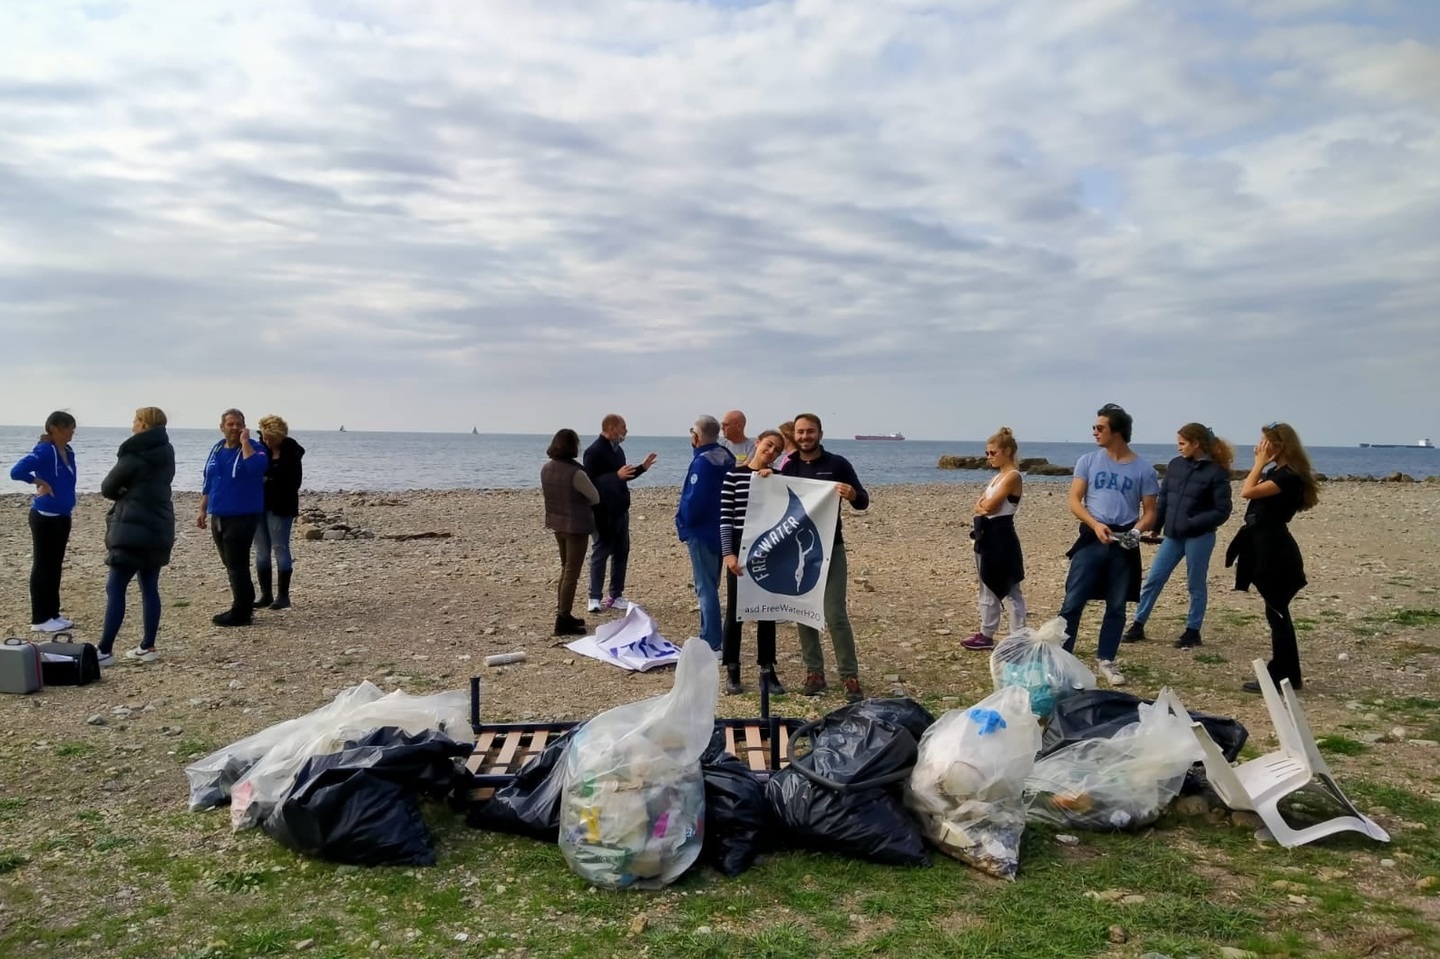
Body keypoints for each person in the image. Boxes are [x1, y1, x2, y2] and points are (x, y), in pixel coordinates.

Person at [1057, 403, 1159, 687]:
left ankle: (1107, 660)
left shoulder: (1144, 469)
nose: (1094, 432)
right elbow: (1074, 501)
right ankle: (1062, 659)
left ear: (1117, 432)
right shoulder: (1088, 461)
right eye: (1094, 427)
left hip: (1124, 543)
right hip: (1092, 538)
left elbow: (1150, 512)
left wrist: (1136, 531)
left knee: (1116, 605)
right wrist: (1094, 524)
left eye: (1100, 428)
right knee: (1072, 601)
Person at [780, 412, 870, 703]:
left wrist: (852, 494)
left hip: (832, 547)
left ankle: (849, 676)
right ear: (794, 435)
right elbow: (774, 503)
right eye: (800, 432)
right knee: (804, 611)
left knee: (835, 614)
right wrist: (765, 477)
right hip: (798, 551)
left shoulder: (837, 464)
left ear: (820, 433)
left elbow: (863, 501)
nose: (805, 437)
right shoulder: (789, 466)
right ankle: (814, 673)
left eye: (810, 431)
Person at [1225, 422, 1319, 693]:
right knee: (1276, 612)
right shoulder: (1277, 473)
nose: (1260, 448)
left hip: (1275, 549)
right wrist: (1263, 465)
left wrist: (1258, 462)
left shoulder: (1288, 477)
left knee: (1278, 613)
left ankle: (1282, 674)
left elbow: (1246, 491)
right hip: (1263, 543)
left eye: (1265, 443)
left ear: (1279, 446)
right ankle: (1289, 674)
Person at [1125, 423, 1234, 649]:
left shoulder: (1216, 472)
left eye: (1182, 443)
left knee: (1195, 584)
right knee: (1154, 579)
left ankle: (1193, 631)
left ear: (1196, 444)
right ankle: (1137, 625)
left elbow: (1222, 510)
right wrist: (1156, 525)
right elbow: (1164, 498)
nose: (1178, 447)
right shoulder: (1175, 465)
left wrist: (1193, 523)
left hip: (1200, 537)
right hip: (1173, 536)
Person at [96, 407, 175, 665]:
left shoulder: (135, 452)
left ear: (143, 424)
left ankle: (104, 650)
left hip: (133, 526)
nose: (132, 425)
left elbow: (107, 487)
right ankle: (148, 645)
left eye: (135, 420)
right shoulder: (167, 451)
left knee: (116, 586)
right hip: (159, 523)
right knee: (149, 586)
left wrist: (123, 492)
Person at [720, 429, 789, 695]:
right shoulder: (733, 476)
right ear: (757, 443)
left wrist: (774, 483)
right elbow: (726, 518)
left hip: (768, 547)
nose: (770, 452)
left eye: (777, 450)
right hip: (739, 546)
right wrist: (728, 554)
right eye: (768, 445)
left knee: (766, 611)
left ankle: (767, 670)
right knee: (735, 612)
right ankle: (732, 670)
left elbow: (789, 511)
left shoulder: (778, 478)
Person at [9, 411, 79, 633]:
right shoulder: (45, 451)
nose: (72, 432)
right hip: (45, 515)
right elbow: (16, 471)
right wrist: (38, 482)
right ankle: (39, 618)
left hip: (63, 513)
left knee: (55, 565)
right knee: (43, 565)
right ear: (55, 428)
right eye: (68, 428)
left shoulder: (68, 451)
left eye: (73, 428)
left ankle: (53, 614)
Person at [198, 408, 268, 626]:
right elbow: (208, 480)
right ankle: (243, 604)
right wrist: (202, 509)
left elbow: (255, 468)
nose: (235, 428)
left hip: (243, 514)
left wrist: (245, 442)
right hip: (219, 513)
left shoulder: (255, 448)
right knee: (229, 562)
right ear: (222, 427)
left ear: (244, 426)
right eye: (230, 424)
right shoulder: (217, 448)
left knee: (237, 563)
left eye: (239, 424)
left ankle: (242, 612)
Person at [961, 427, 1027, 651]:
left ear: (1006, 451)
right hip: (986, 535)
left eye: (992, 453)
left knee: (1009, 586)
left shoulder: (1013, 476)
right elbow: (980, 506)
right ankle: (986, 633)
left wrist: (985, 507)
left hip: (1002, 537)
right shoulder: (996, 478)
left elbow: (989, 505)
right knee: (986, 584)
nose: (989, 457)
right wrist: (984, 507)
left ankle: (1019, 637)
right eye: (987, 453)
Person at [583, 414, 656, 612]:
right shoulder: (593, 452)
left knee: (621, 553)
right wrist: (615, 476)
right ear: (612, 428)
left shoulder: (618, 451)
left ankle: (615, 595)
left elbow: (624, 476)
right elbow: (589, 482)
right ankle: (594, 597)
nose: (626, 431)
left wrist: (642, 468)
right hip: (603, 511)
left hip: (621, 510)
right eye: (623, 427)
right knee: (601, 552)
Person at [676, 415, 735, 652]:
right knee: (711, 583)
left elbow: (694, 500)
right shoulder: (726, 457)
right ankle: (711, 636)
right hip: (723, 529)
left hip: (703, 531)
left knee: (705, 587)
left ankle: (712, 642)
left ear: (697, 436)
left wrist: (683, 523)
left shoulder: (702, 462)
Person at [542, 428, 601, 636]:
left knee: (565, 569)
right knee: (571, 573)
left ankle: (564, 614)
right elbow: (595, 497)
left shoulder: (547, 469)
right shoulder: (576, 473)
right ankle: (562, 619)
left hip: (557, 523)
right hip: (576, 527)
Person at [253, 414, 305, 610]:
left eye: (272, 438)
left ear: (281, 436)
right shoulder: (260, 449)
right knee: (261, 550)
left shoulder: (292, 452)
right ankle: (266, 594)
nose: (268, 442)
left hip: (282, 505)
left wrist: (270, 478)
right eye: (265, 438)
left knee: (280, 547)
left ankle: (283, 595)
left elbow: (294, 482)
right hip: (259, 504)